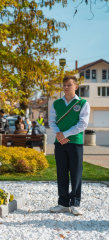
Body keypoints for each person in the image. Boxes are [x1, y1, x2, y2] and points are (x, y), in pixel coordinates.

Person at [49, 75, 90, 216]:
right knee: (61, 173)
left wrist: (64, 134)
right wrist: (59, 135)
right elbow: (52, 122)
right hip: (59, 143)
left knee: (76, 173)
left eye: (69, 85)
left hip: (75, 143)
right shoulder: (56, 103)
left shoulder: (83, 103)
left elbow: (83, 124)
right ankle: (63, 203)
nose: (66, 87)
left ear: (76, 87)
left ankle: (75, 204)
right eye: (64, 85)